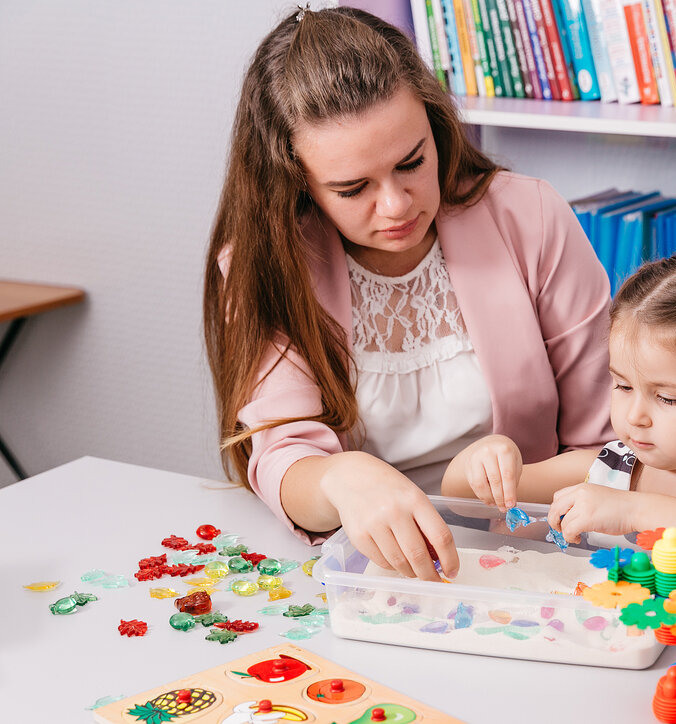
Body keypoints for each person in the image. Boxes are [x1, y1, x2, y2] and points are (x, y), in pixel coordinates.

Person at [202, 6, 613, 582]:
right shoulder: (268, 263)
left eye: (412, 162)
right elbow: (282, 459)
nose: (397, 205)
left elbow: (611, 445)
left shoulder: (532, 218)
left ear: (436, 126)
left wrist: (483, 489)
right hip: (361, 577)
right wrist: (341, 478)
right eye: (352, 188)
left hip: (535, 558)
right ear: (296, 181)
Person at [442, 250, 676, 554]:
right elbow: (460, 499)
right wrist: (489, 455)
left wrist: (636, 511)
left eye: (667, 399)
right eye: (623, 387)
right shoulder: (602, 469)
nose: (636, 416)